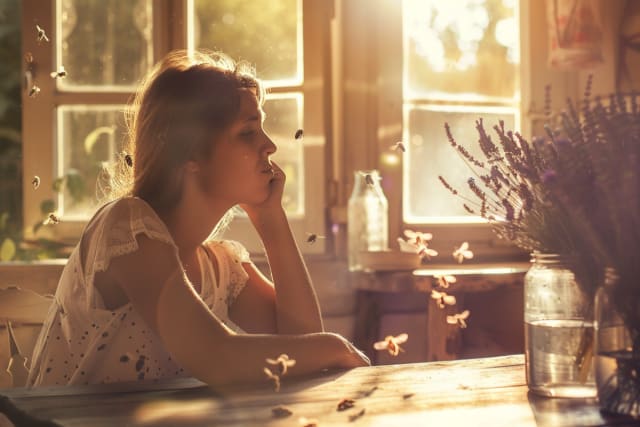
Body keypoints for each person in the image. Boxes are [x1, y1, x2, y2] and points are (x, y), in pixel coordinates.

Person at [26, 50, 370, 389]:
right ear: (190, 152)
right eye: (248, 132)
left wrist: (271, 219)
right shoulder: (126, 229)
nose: (269, 146)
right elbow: (216, 356)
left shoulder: (219, 265)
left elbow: (301, 341)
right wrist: (334, 347)